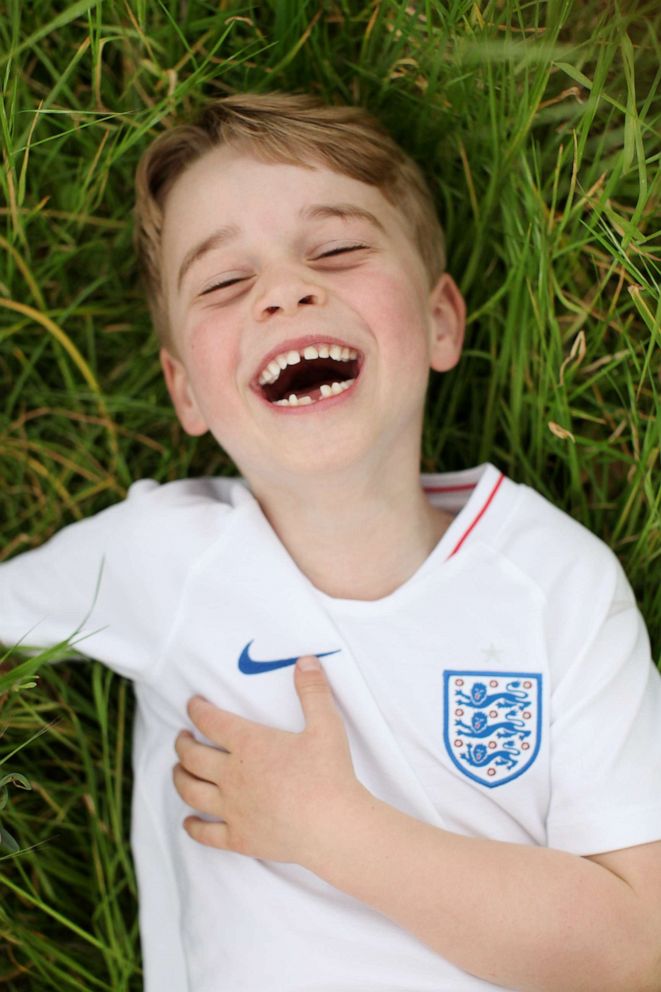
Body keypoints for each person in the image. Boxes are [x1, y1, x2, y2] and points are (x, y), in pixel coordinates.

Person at [1, 92, 660, 992]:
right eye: (226, 282)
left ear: (439, 321)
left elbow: (637, 948)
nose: (284, 289)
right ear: (185, 390)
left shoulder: (557, 586)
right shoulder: (164, 558)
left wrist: (332, 832)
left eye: (338, 250)